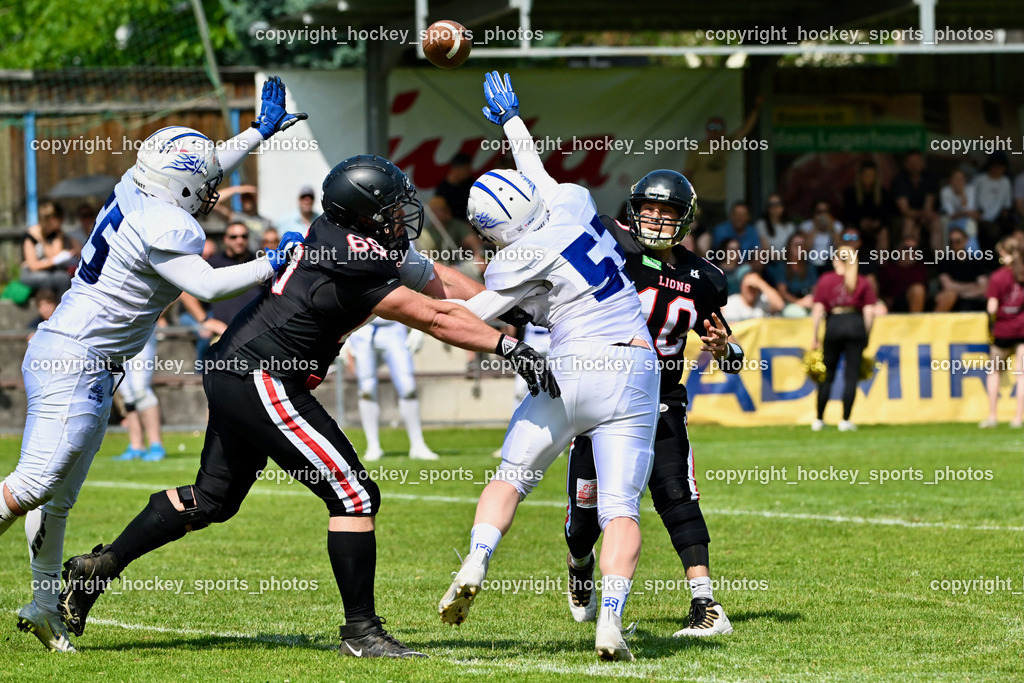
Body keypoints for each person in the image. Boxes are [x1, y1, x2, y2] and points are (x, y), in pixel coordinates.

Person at [59, 154, 555, 659]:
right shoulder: (352, 259)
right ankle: (361, 632)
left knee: (212, 501)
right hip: (261, 374)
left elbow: (439, 281)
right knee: (355, 496)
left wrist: (511, 305)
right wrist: (509, 347)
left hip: (241, 368)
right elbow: (433, 316)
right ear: (362, 214)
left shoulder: (351, 237)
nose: (399, 216)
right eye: (387, 207)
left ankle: (98, 567)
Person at [0, 76, 307, 653]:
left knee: (57, 496)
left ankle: (43, 606)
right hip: (76, 357)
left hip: (81, 357)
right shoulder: (168, 222)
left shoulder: (138, 186)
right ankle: (41, 602)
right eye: (206, 183)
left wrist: (257, 134)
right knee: (37, 482)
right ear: (184, 186)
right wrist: (273, 260)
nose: (213, 186)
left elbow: (197, 163)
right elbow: (209, 285)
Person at [435, 71, 660, 663]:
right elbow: (536, 172)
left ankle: (476, 561)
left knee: (511, 476)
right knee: (620, 510)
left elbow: (473, 318)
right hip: (635, 365)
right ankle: (609, 620)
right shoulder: (573, 200)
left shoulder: (511, 261)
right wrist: (511, 120)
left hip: (568, 367)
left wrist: (399, 307)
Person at [563, 169, 743, 639]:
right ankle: (580, 564)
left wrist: (728, 350)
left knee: (675, 492)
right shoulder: (610, 251)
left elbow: (730, 349)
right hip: (601, 396)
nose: (657, 220)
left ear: (684, 221)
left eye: (668, 212)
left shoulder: (704, 278)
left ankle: (706, 603)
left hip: (660, 400)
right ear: (634, 210)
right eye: (650, 209)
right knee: (584, 517)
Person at [347, 318, 439, 461]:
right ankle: (373, 446)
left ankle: (418, 444)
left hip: (393, 326)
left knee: (407, 386)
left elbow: (413, 294)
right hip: (361, 327)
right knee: (367, 389)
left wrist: (418, 327)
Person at [809, 243, 877, 432]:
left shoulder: (825, 279)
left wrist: (814, 336)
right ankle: (845, 420)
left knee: (827, 374)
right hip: (855, 324)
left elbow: (817, 310)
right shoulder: (862, 280)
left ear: (835, 259)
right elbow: (869, 312)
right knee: (851, 376)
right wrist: (866, 335)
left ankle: (819, 419)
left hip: (834, 325)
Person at [684, 98, 762, 231]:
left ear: (724, 130)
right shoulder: (697, 149)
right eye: (712, 127)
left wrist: (757, 109)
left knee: (720, 232)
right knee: (696, 231)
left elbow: (744, 130)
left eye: (718, 127)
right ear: (706, 130)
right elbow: (687, 173)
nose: (715, 131)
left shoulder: (725, 144)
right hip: (700, 199)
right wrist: (691, 197)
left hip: (719, 200)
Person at [980, 237, 1024, 428]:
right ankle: (1018, 417)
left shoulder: (997, 277)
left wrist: (991, 323)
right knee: (1021, 373)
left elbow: (991, 307)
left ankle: (992, 416)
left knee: (994, 371)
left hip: (1003, 331)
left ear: (1003, 253)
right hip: (1022, 328)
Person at [112, 328, 165, 462]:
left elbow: (170, 304)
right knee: (126, 392)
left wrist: (155, 314)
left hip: (141, 331)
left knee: (140, 389)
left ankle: (156, 445)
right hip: (115, 335)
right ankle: (136, 445)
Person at [892, 150, 942, 252]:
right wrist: (919, 220)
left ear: (923, 163)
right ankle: (906, 258)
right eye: (911, 162)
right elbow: (905, 210)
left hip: (925, 215)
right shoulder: (899, 180)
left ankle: (940, 259)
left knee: (936, 222)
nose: (915, 166)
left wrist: (922, 219)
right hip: (906, 216)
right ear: (906, 164)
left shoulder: (930, 177)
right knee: (909, 223)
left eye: (918, 162)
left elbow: (929, 204)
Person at [21, 200, 74, 294]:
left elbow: (55, 256)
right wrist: (52, 260)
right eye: (60, 220)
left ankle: (63, 307)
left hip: (50, 271)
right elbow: (33, 266)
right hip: (30, 273)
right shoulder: (30, 236)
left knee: (64, 277)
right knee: (45, 279)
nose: (61, 223)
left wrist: (42, 240)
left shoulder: (57, 233)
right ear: (52, 220)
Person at [935, 228, 990, 312]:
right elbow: (948, 286)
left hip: (973, 301)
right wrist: (973, 286)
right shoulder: (944, 261)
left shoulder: (977, 262)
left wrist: (958, 290)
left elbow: (984, 288)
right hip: (952, 301)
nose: (954, 244)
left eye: (957, 241)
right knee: (949, 295)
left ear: (966, 241)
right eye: (951, 242)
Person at [842, 160, 892, 251]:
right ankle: (850, 262)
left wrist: (878, 223)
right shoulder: (851, 192)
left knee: (883, 233)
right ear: (860, 176)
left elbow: (886, 213)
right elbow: (847, 214)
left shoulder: (882, 192)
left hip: (876, 227)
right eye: (866, 175)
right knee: (850, 233)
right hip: (856, 226)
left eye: (872, 176)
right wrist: (861, 222)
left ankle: (881, 263)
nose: (869, 178)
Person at [769, 231, 818, 316]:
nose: (799, 247)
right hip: (789, 304)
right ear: (789, 247)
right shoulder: (782, 266)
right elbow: (782, 293)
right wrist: (799, 302)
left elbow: (815, 288)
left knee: (819, 313)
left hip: (808, 301)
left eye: (801, 245)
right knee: (801, 314)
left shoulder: (809, 266)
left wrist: (811, 300)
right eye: (796, 245)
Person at [972, 152, 1013, 253]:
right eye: (995, 166)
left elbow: (1006, 205)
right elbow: (970, 198)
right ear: (989, 166)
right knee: (991, 232)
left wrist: (1004, 216)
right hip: (978, 217)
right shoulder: (979, 179)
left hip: (996, 219)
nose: (997, 170)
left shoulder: (1006, 182)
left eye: (1000, 167)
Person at [877, 235, 928, 313]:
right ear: (899, 250)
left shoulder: (921, 268)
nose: (911, 252)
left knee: (918, 289)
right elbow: (881, 292)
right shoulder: (889, 269)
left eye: (915, 249)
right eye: (907, 249)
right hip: (895, 305)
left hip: (917, 302)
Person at [940, 169, 981, 251]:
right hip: (950, 220)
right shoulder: (945, 191)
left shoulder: (970, 190)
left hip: (965, 220)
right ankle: (946, 255)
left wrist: (962, 194)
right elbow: (951, 214)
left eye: (961, 179)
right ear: (950, 180)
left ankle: (973, 256)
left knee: (970, 225)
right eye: (956, 179)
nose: (958, 182)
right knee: (943, 223)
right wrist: (966, 213)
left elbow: (970, 210)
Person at [800, 199, 843, 270]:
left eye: (826, 211)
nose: (822, 214)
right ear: (813, 213)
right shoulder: (806, 226)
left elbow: (840, 248)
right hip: (811, 264)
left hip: (831, 264)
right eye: (819, 212)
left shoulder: (837, 225)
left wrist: (832, 229)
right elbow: (805, 249)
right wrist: (815, 227)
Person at [434, 152, 474, 222]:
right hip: (454, 227)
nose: (469, 172)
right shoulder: (443, 189)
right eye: (467, 169)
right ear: (457, 169)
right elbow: (443, 215)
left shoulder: (470, 183)